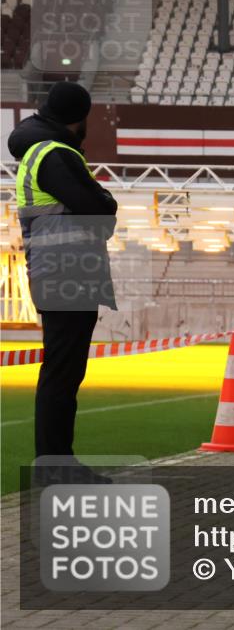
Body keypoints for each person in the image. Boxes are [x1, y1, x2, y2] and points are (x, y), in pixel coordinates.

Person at [8, 82, 118, 484]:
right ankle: (56, 467)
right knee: (63, 374)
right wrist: (107, 203)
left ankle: (54, 465)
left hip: (55, 269)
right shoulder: (57, 155)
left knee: (61, 371)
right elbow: (99, 211)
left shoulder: (38, 151)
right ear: (79, 118)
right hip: (67, 271)